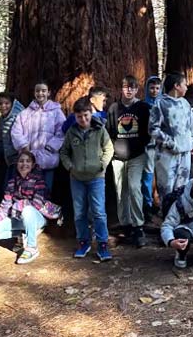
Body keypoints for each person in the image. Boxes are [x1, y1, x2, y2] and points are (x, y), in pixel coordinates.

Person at [0, 150, 60, 264]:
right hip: (18, 218)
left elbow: (37, 204)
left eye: (28, 161)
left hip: (37, 217)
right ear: (17, 164)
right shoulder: (11, 183)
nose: (24, 164)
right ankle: (23, 234)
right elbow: (4, 208)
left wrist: (18, 205)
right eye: (21, 161)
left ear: (33, 165)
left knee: (27, 210)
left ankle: (31, 248)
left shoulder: (38, 180)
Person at [61, 97, 115, 261]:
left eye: (86, 115)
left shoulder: (99, 130)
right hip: (77, 178)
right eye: (79, 117)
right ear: (75, 117)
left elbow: (109, 148)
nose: (83, 119)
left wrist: (102, 164)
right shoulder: (71, 132)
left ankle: (102, 244)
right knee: (80, 212)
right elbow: (64, 152)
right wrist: (70, 166)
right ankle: (83, 242)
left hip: (96, 178)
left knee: (98, 212)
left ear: (90, 114)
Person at [106, 75, 152, 247]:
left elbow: (148, 130)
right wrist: (112, 150)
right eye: (126, 87)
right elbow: (109, 131)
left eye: (132, 88)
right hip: (117, 157)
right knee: (120, 191)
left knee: (134, 188)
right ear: (122, 89)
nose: (129, 90)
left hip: (137, 156)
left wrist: (141, 145)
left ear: (137, 90)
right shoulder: (114, 108)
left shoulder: (142, 107)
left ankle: (138, 226)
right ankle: (125, 225)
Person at [150, 72, 193, 201]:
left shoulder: (185, 103)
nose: (187, 87)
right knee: (167, 190)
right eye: (184, 84)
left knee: (182, 189)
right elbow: (153, 129)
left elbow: (192, 125)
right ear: (176, 86)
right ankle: (167, 218)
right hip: (167, 155)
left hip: (185, 154)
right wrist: (171, 143)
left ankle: (178, 217)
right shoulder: (160, 104)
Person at [11, 81, 66, 190]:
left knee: (46, 189)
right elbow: (16, 131)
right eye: (38, 91)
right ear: (34, 93)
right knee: (27, 189)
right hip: (29, 159)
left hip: (48, 158)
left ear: (49, 93)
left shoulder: (56, 112)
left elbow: (62, 132)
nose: (40, 93)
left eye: (43, 91)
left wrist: (50, 147)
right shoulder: (26, 113)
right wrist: (24, 146)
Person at [142, 75, 163, 215]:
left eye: (157, 88)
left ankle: (162, 202)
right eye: (151, 88)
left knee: (162, 175)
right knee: (148, 174)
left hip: (163, 145)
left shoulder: (164, 104)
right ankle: (147, 204)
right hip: (148, 145)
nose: (154, 91)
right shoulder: (142, 105)